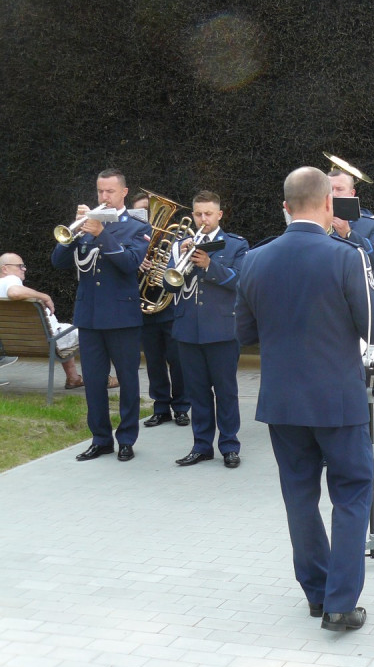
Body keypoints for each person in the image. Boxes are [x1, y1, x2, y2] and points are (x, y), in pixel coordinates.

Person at [235, 167, 374, 631]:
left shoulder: (254, 258)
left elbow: (244, 332)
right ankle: (340, 604)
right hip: (338, 402)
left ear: (285, 206)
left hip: (283, 403)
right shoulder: (345, 256)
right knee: (350, 495)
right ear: (329, 204)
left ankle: (316, 592)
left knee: (299, 499)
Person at [52, 168, 150, 462]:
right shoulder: (87, 224)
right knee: (94, 381)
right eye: (99, 191)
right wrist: (75, 232)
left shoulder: (136, 226)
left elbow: (130, 263)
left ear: (123, 193)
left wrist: (102, 234)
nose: (103, 197)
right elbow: (58, 262)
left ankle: (127, 439)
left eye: (109, 191)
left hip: (122, 318)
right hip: (90, 317)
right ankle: (101, 439)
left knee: (128, 381)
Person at [166, 191, 249, 468]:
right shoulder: (180, 245)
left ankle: (229, 446)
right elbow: (168, 284)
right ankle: (202, 446)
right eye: (198, 214)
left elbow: (240, 281)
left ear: (219, 215)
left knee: (226, 391)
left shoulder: (235, 245)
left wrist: (210, 265)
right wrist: (183, 257)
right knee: (197, 391)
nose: (203, 219)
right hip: (188, 329)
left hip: (223, 329)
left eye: (208, 214)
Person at [131, 192, 190, 428]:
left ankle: (182, 407)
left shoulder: (176, 239)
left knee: (177, 360)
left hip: (170, 308)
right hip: (144, 307)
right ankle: (161, 407)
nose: (147, 217)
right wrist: (136, 263)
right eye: (140, 212)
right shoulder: (132, 242)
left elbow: (183, 271)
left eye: (149, 210)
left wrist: (164, 265)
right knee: (154, 361)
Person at [0, 253, 84, 388]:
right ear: (5, 269)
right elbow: (14, 292)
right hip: (48, 341)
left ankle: (73, 378)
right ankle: (103, 379)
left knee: (65, 329)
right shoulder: (10, 280)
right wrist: (44, 296)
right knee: (91, 335)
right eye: (20, 266)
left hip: (12, 342)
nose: (24, 269)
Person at [328, 168, 374, 272]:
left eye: (339, 189)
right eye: (329, 189)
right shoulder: (314, 219)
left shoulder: (371, 224)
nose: (334, 194)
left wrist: (349, 234)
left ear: (352, 193)